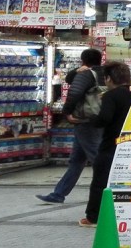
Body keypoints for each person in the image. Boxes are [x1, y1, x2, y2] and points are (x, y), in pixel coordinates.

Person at [37, 48, 104, 204]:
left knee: (98, 161)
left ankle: (111, 193)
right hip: (98, 119)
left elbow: (74, 91)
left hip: (85, 121)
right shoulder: (104, 73)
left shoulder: (86, 74)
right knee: (77, 160)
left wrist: (66, 113)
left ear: (83, 60)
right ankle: (58, 194)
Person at [81, 62, 131, 227]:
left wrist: (92, 120)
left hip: (112, 145)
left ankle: (93, 217)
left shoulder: (111, 96)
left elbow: (104, 118)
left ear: (109, 78)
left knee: (100, 181)